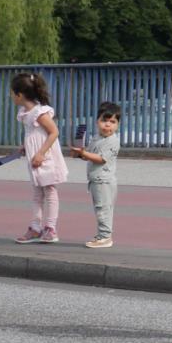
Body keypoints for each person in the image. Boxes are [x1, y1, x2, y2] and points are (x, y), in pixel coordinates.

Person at [11, 72, 68, 244]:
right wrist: (25, 147)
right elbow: (34, 134)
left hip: (45, 157)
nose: (11, 96)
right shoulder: (25, 112)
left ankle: (50, 229)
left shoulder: (40, 112)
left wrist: (41, 153)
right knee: (37, 193)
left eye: (12, 93)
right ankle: (35, 228)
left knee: (50, 191)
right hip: (35, 158)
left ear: (20, 95)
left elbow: (54, 132)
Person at [71, 101, 121, 249]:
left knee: (103, 208)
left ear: (118, 125)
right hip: (96, 180)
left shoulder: (113, 141)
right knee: (101, 208)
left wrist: (84, 153)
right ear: (97, 121)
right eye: (104, 120)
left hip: (104, 181)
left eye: (112, 122)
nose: (108, 125)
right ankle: (102, 235)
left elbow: (101, 159)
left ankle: (105, 236)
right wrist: (80, 154)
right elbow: (90, 155)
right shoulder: (96, 138)